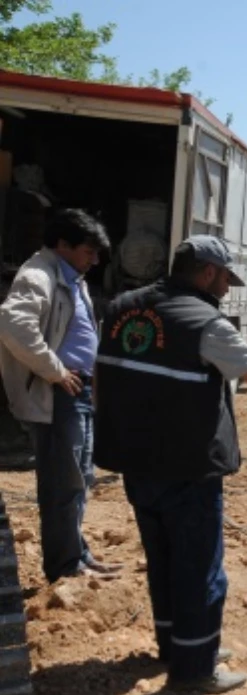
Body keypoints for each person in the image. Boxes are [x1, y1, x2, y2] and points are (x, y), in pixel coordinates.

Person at [93, 234, 247, 694]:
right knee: (200, 568)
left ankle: (177, 645)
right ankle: (195, 670)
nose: (226, 288)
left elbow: (103, 376)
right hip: (187, 467)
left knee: (163, 558)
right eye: (224, 278)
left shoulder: (120, 307)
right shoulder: (203, 322)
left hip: (135, 462)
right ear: (207, 272)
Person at [0, 209, 123, 582]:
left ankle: (77, 555)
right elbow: (13, 324)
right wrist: (53, 370)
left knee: (80, 477)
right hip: (60, 394)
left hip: (79, 392)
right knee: (62, 482)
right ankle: (64, 566)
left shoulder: (72, 277)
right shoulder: (38, 275)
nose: (95, 260)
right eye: (89, 251)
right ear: (63, 244)